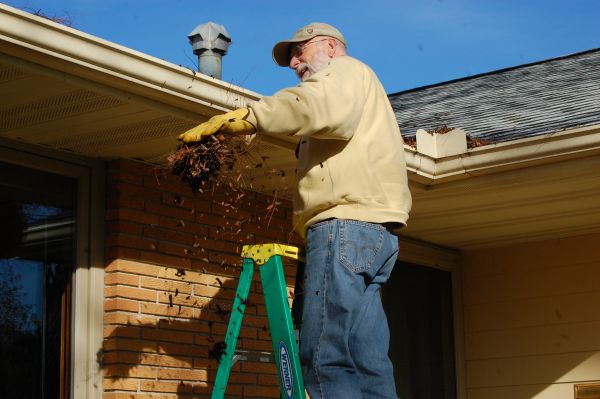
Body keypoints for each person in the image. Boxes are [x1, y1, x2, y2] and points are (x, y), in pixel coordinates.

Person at [179, 22, 412, 399]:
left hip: (343, 227)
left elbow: (311, 105)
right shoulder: (364, 91)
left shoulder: (344, 73)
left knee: (325, 356)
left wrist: (251, 117)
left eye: (300, 52)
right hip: (376, 234)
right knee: (369, 362)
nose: (294, 63)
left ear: (332, 48)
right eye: (291, 57)